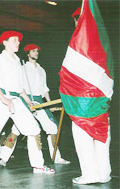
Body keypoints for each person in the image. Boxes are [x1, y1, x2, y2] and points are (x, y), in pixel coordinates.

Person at [0, 31, 55, 182]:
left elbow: (20, 88)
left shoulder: (18, 61)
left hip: (17, 100)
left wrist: (28, 101)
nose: (18, 42)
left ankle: (38, 165)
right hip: (0, 99)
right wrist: (4, 99)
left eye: (18, 40)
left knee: (33, 130)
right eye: (14, 40)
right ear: (5, 43)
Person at [0, 44, 70, 166]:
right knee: (17, 129)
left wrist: (48, 103)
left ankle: (56, 158)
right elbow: (20, 87)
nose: (36, 53)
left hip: (40, 102)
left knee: (52, 128)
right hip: (26, 100)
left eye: (37, 51)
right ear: (28, 54)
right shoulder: (22, 68)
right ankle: (3, 158)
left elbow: (45, 89)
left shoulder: (41, 70)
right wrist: (27, 102)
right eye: (33, 51)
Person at [69, 7, 111, 185]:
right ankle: (103, 174)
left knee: (83, 136)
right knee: (101, 135)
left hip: (83, 101)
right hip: (101, 99)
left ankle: (90, 175)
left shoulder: (79, 46)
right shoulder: (103, 42)